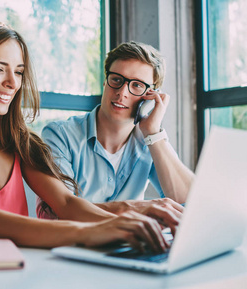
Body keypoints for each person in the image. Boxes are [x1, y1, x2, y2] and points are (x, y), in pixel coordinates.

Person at [0, 15, 179, 252]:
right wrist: (91, 232)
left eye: (19, 72)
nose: (12, 83)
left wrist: (126, 218)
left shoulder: (21, 144)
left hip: (10, 281)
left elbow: (67, 203)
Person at [38, 41, 194, 222]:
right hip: (74, 246)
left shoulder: (149, 141)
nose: (122, 93)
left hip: (129, 246)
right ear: (105, 82)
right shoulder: (60, 136)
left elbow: (191, 203)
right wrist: (133, 209)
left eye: (136, 85)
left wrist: (153, 133)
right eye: (117, 80)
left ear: (152, 96)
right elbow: (58, 212)